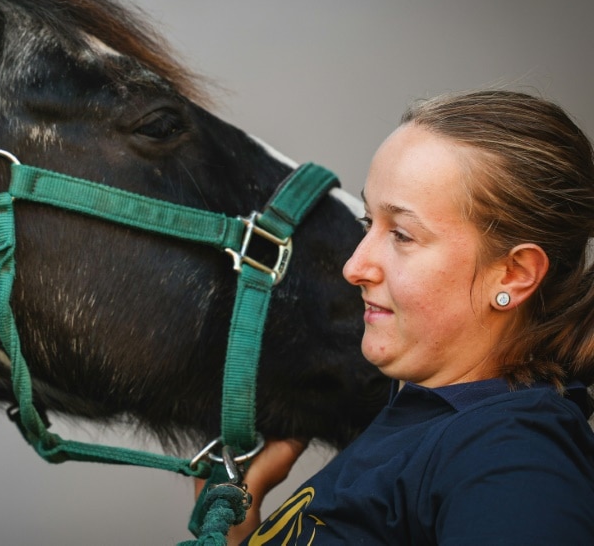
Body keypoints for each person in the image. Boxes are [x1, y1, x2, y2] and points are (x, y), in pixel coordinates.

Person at [214, 90, 594, 545]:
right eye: (366, 224)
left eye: (401, 235)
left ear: (513, 274)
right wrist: (242, 527)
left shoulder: (513, 459)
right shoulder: (430, 414)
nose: (354, 267)